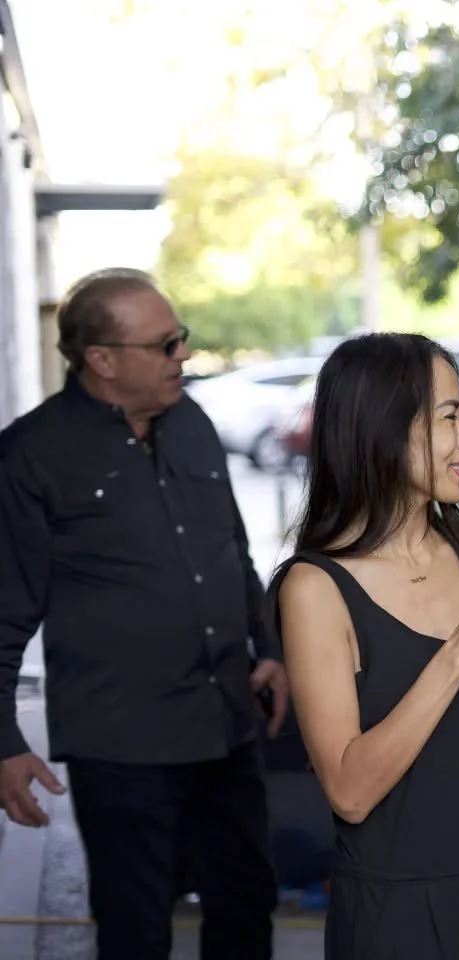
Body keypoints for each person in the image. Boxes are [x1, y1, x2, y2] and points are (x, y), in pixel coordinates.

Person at [268, 332, 459, 960]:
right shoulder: (315, 588)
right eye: (451, 417)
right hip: (403, 912)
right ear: (384, 429)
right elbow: (350, 794)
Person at [0, 268, 287, 960]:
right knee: (136, 931)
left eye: (180, 338)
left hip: (227, 724)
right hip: (123, 747)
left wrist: (268, 645)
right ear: (101, 359)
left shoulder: (191, 422)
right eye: (165, 344)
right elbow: (3, 615)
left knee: (246, 910)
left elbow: (233, 552)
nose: (182, 355)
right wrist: (5, 741)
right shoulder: (31, 455)